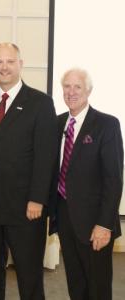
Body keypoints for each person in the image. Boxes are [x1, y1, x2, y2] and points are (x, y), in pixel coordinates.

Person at [0, 42, 58, 299]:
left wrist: (37, 198)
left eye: (10, 61)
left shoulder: (41, 103)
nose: (4, 67)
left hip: (25, 208)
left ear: (20, 64)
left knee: (28, 276)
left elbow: (47, 156)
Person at [49, 68, 123, 300]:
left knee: (98, 287)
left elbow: (113, 179)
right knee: (75, 283)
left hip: (95, 224)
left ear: (88, 90)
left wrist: (104, 225)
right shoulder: (57, 123)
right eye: (67, 87)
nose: (71, 92)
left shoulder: (106, 124)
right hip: (65, 218)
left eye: (77, 87)